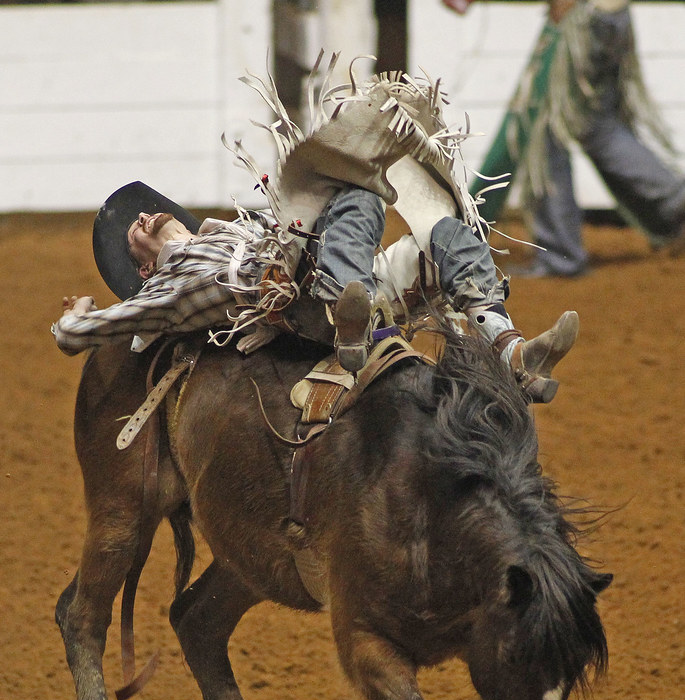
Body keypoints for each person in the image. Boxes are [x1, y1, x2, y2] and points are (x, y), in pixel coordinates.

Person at [54, 63, 579, 401]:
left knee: (445, 235)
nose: (141, 218)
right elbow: (80, 335)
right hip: (292, 298)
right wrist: (77, 317)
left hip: (343, 276)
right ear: (144, 269)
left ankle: (511, 351)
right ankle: (345, 315)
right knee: (359, 195)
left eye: (142, 213)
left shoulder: (233, 228)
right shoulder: (173, 287)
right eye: (133, 231)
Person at [444, 0, 685, 276]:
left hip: (582, 18)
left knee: (544, 129)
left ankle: (560, 255)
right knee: (597, 127)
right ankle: (675, 205)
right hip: (606, 15)